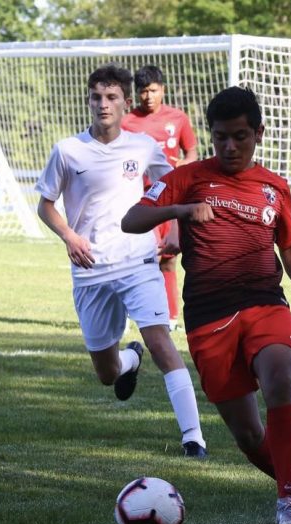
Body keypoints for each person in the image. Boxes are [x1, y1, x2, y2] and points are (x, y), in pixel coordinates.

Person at [122, 86, 291, 524]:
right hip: (209, 316)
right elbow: (131, 219)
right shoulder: (188, 176)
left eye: (240, 136)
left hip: (265, 303)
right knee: (249, 436)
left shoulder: (274, 187)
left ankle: (287, 502)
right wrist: (182, 209)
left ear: (258, 134)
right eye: (220, 137)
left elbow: (289, 246)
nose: (230, 147)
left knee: (279, 379)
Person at [35, 64, 207, 458]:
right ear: (89, 100)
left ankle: (193, 437)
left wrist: (177, 226)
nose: (103, 104)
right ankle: (130, 360)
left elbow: (174, 184)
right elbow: (45, 205)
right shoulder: (67, 150)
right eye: (97, 96)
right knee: (106, 374)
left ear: (125, 103)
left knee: (162, 340)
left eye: (111, 97)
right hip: (90, 270)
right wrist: (69, 235)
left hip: (137, 262)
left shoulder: (142, 147)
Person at [121, 66, 198, 332]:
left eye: (153, 90)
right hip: (139, 201)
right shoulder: (126, 122)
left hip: (169, 198)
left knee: (167, 257)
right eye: (143, 91)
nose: (148, 96)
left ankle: (170, 315)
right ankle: (133, 312)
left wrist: (181, 169)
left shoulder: (178, 118)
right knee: (136, 256)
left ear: (162, 89)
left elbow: (191, 152)